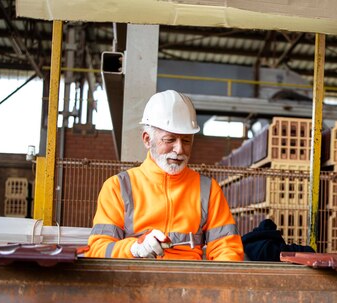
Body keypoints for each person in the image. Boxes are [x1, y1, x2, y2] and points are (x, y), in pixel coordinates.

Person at [86, 90, 244, 261]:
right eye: (170, 140)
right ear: (147, 139)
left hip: (189, 283)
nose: (179, 150)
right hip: (133, 281)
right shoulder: (118, 187)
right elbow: (98, 249)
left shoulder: (207, 189)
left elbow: (227, 249)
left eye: (186, 141)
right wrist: (133, 249)